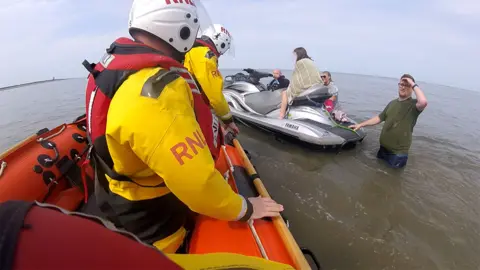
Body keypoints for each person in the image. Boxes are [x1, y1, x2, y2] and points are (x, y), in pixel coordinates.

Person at [83, 0, 284, 253]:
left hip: (114, 192)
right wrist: (245, 208)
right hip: (150, 224)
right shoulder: (160, 93)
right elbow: (197, 184)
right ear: (182, 28)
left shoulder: (116, 69)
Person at [0, 200, 295, 270]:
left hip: (129, 209)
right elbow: (195, 181)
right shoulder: (158, 87)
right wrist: (242, 207)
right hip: (156, 221)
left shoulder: (112, 79)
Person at [184, 23, 239, 161]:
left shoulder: (189, 50)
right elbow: (215, 95)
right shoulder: (205, 56)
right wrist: (228, 120)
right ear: (220, 42)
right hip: (191, 110)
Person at [349, 74, 428, 168]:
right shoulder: (392, 103)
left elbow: (423, 102)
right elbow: (379, 118)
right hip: (383, 149)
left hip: (397, 154)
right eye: (401, 84)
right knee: (379, 175)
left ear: (412, 88)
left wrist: (412, 83)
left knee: (393, 179)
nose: (403, 87)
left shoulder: (414, 105)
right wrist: (360, 125)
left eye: (406, 85)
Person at [279, 47, 322, 119]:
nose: (293, 58)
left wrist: (291, 87)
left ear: (298, 54)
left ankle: (281, 116)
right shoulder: (310, 61)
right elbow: (305, 77)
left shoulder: (300, 62)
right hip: (315, 87)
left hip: (306, 89)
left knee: (285, 93)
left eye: (294, 55)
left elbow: (296, 79)